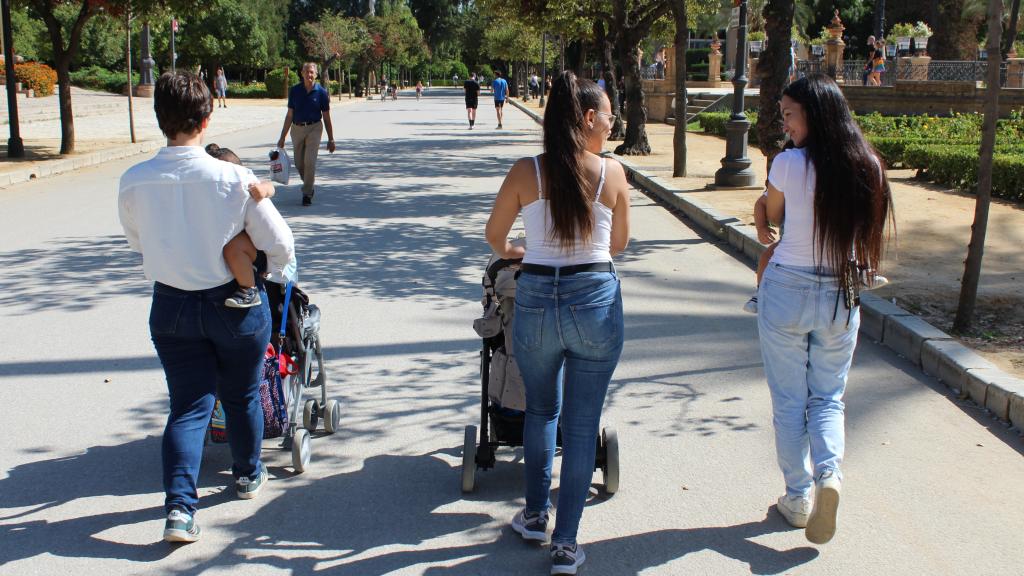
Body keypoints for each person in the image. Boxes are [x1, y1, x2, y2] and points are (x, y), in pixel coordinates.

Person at [118, 71, 295, 544]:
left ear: (160, 119)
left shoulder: (133, 180)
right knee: (240, 395)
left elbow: (137, 243)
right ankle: (246, 473)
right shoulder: (235, 178)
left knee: (188, 406)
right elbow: (280, 243)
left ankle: (179, 510)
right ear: (207, 116)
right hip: (232, 303)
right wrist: (269, 272)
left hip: (171, 305)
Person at [485, 71, 630, 576]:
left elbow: (495, 235)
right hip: (593, 298)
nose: (612, 123)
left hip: (535, 301)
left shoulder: (528, 171)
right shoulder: (611, 174)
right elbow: (618, 247)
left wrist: (519, 252)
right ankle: (566, 546)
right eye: (608, 115)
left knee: (542, 411)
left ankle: (532, 516)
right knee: (582, 422)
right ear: (588, 118)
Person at [758, 74, 893, 545]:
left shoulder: (788, 163)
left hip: (787, 291)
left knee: (790, 399)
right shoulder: (868, 165)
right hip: (840, 292)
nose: (785, 123)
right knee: (828, 397)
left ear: (812, 114)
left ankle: (797, 497)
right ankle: (829, 476)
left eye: (789, 114)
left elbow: (772, 216)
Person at [205, 143, 277, 308]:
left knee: (234, 245)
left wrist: (263, 190)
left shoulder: (246, 186)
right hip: (216, 254)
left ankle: (248, 289)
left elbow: (269, 186)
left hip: (252, 252)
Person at [276, 62, 336, 207]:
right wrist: (282, 136)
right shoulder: (295, 91)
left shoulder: (321, 92)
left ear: (316, 75)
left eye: (312, 72)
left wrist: (331, 139)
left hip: (314, 128)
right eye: (306, 72)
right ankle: (309, 183)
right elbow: (289, 115)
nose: (309, 75)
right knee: (299, 163)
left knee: (309, 162)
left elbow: (326, 117)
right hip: (297, 129)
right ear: (302, 73)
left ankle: (307, 193)